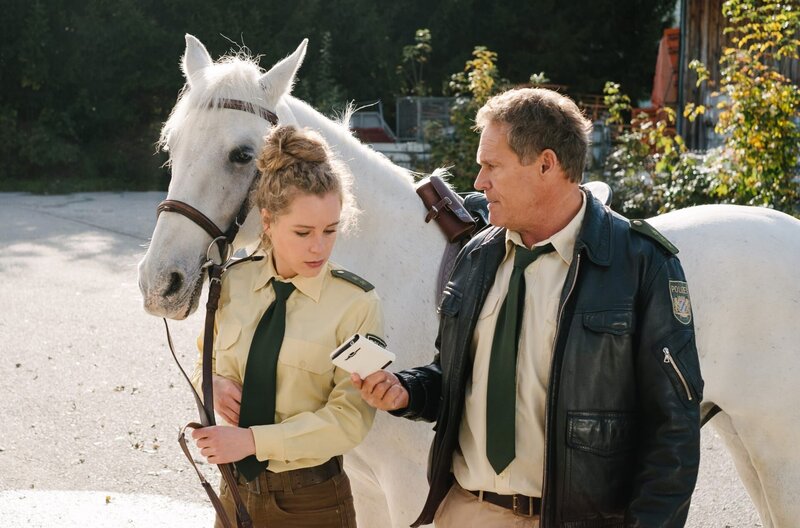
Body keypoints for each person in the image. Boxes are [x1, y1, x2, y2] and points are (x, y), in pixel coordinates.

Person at [354, 87, 703, 527]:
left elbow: (673, 427)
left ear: (546, 164)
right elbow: (454, 379)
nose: (479, 183)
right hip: (467, 511)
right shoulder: (476, 255)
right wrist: (406, 391)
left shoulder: (642, 263)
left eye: (491, 166)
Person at [191, 124, 383, 528]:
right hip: (235, 492)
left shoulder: (356, 304)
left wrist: (253, 441)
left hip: (311, 503)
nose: (319, 247)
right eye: (303, 232)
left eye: (330, 230)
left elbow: (350, 419)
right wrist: (215, 382)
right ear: (267, 220)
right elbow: (205, 357)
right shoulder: (233, 284)